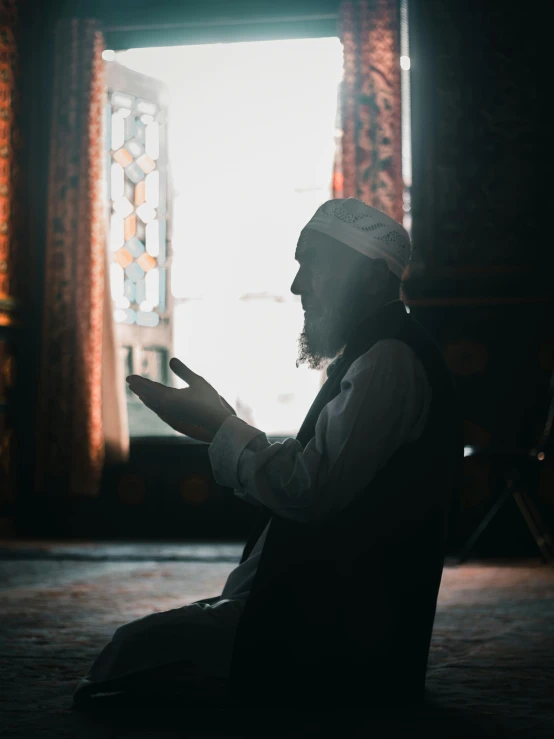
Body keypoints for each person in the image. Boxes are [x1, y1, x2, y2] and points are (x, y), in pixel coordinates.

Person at [74, 198, 463, 720]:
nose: (298, 286)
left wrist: (218, 426)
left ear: (371, 278)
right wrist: (218, 428)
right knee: (138, 655)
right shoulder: (378, 354)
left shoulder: (388, 361)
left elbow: (310, 492)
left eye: (314, 265)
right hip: (334, 620)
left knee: (131, 656)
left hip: (339, 638)